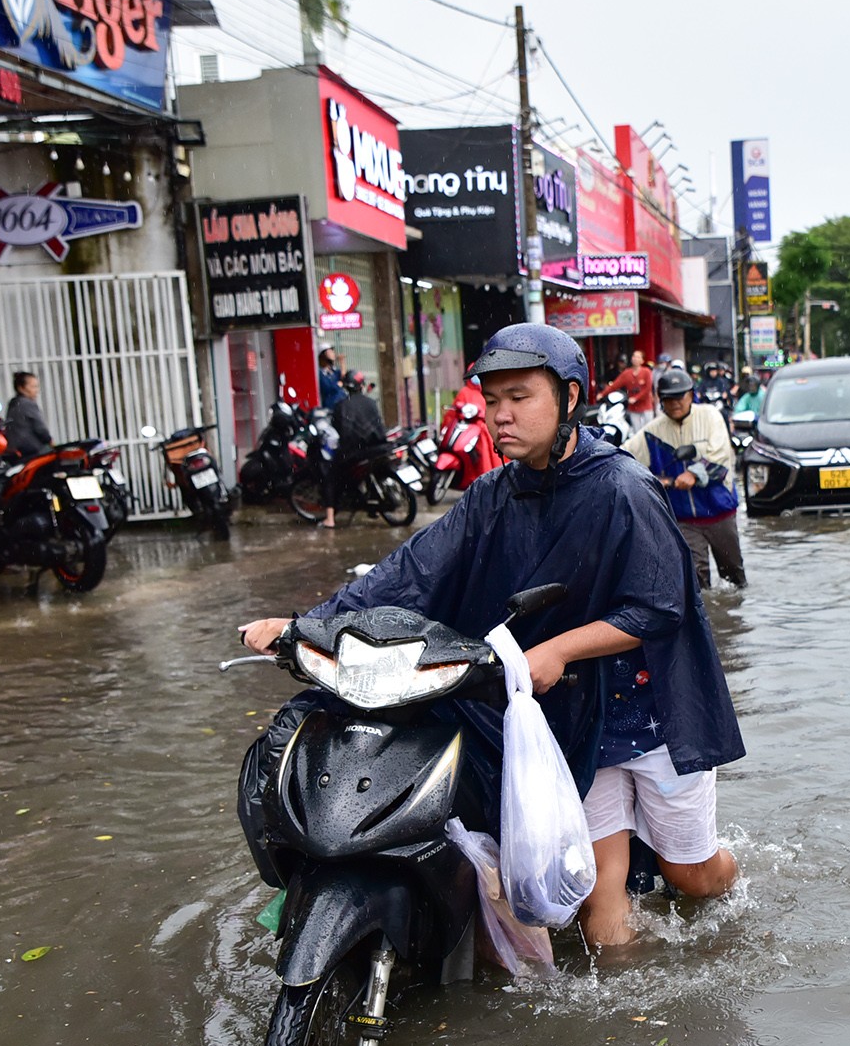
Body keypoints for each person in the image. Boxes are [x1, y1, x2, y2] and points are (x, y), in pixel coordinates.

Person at [237, 324, 744, 950]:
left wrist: (558, 648)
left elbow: (660, 606)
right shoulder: (493, 495)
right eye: (492, 400)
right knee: (595, 901)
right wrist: (307, 629)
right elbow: (411, 572)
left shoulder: (623, 489)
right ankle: (621, 1039)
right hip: (569, 723)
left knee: (689, 876)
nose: (500, 416)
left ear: (570, 397)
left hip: (652, 713)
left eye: (519, 398)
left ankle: (737, 884)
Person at [623, 365, 745, 589]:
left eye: (681, 397)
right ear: (661, 400)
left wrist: (693, 474)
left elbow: (721, 459)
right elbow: (626, 457)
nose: (676, 403)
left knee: (734, 577)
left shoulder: (710, 416)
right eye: (669, 399)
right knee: (696, 581)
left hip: (720, 512)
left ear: (691, 396)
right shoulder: (652, 432)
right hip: (683, 519)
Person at [322, 370, 387, 528]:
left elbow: (340, 430)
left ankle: (330, 518)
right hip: (379, 448)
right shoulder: (370, 402)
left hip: (356, 452)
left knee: (330, 476)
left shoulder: (342, 406)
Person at [598, 349, 656, 431]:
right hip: (633, 408)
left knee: (649, 430)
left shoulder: (646, 372)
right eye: (634, 356)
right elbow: (614, 385)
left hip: (646, 407)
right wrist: (602, 394)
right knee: (637, 431)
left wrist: (636, 398)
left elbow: (647, 388)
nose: (635, 358)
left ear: (642, 361)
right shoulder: (627, 373)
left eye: (638, 357)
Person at [4, 372, 53, 459]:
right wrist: (50, 441)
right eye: (33, 387)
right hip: (32, 449)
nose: (37, 390)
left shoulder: (13, 403)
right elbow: (40, 429)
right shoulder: (28, 404)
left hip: (16, 450)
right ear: (21, 388)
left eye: (37, 386)